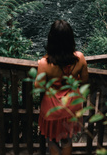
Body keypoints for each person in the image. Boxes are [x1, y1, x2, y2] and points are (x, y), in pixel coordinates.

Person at [35, 20, 89, 155]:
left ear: (51, 40)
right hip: (71, 106)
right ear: (71, 39)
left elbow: (38, 86)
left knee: (52, 140)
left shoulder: (44, 63)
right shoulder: (80, 58)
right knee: (67, 139)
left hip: (52, 108)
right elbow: (84, 80)